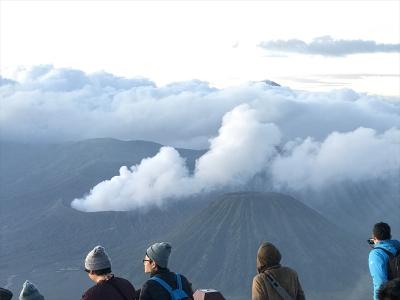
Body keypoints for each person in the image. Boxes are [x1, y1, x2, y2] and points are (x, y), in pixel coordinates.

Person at [369, 222, 400, 300]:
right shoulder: (397, 245)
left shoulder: (376, 254)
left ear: (374, 237)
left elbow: (380, 284)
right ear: (390, 235)